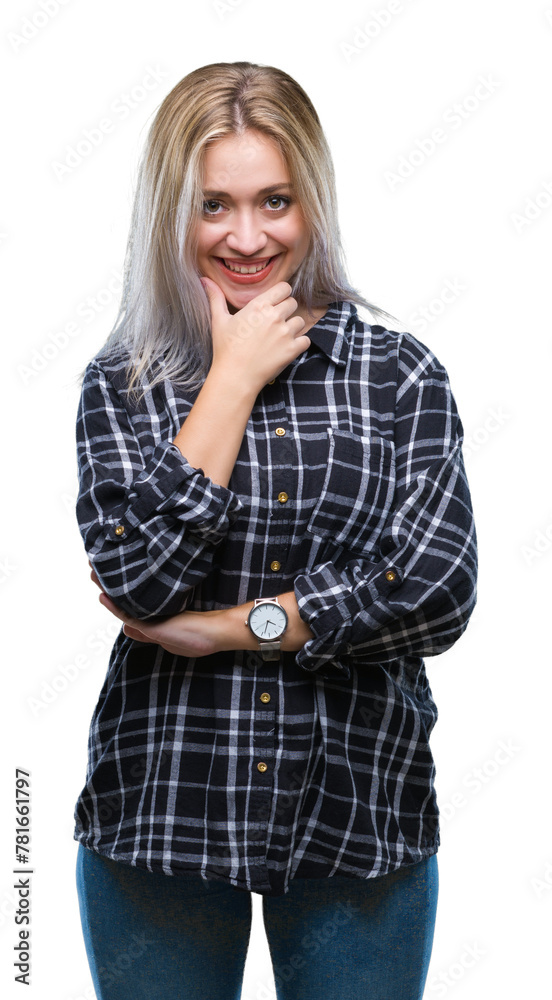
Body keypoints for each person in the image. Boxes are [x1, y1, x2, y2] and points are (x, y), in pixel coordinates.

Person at [72, 60, 478, 1000]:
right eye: (213, 205)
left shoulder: (399, 375)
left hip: (360, 816)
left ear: (313, 202)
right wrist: (231, 380)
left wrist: (232, 626)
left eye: (275, 201)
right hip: (163, 813)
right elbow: (136, 584)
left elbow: (437, 590)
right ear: (173, 211)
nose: (247, 237)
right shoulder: (124, 380)